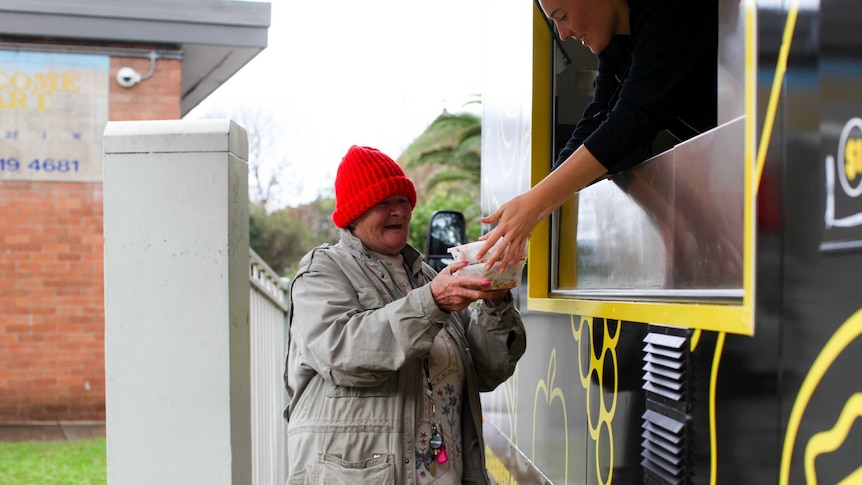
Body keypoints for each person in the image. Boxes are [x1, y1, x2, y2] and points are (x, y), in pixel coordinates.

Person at [283, 145, 526, 484]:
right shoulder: (323, 271)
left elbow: (487, 371)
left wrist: (495, 302)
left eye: (403, 200)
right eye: (383, 202)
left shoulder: (424, 275)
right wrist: (432, 304)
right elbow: (341, 352)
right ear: (354, 213)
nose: (398, 210)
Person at [478, 0, 718, 269]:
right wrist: (539, 201)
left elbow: (631, 119)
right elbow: (598, 118)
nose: (563, 34)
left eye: (563, 16)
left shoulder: (672, 11)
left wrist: (537, 202)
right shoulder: (617, 45)